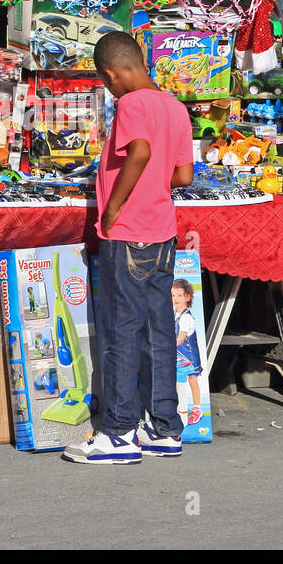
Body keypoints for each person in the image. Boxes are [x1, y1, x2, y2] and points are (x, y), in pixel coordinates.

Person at [63, 31, 193, 465]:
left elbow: (139, 150)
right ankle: (164, 428)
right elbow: (184, 176)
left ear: (112, 74)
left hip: (129, 231)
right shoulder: (174, 106)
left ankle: (117, 432)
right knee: (158, 331)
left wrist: (114, 205)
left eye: (106, 82)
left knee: (121, 332)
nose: (109, 88)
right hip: (162, 233)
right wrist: (153, 185)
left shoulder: (132, 103)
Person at [172, 278, 204, 425]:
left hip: (188, 355)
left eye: (180, 295)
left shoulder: (186, 318)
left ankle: (196, 408)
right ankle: (181, 409)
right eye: (173, 295)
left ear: (188, 297)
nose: (175, 298)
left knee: (191, 380)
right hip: (179, 356)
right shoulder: (175, 315)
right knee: (181, 381)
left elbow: (180, 339)